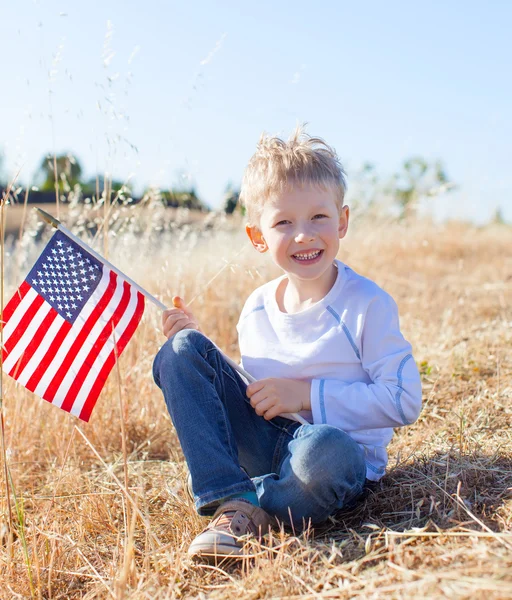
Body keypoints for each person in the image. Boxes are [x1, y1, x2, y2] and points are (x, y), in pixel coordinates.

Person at [152, 125, 422, 560]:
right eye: (283, 222)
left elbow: (403, 400)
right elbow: (253, 395)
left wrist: (306, 396)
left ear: (343, 220)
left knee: (325, 452)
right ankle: (231, 494)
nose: (303, 235)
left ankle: (249, 506)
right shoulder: (256, 308)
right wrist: (204, 351)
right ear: (258, 237)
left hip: (333, 457)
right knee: (180, 352)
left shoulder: (367, 304)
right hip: (269, 446)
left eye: (318, 216)